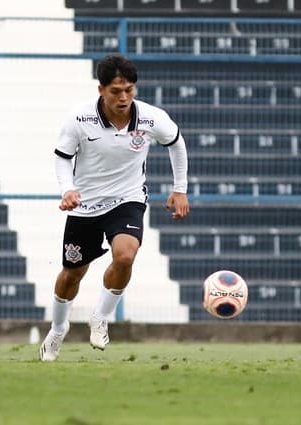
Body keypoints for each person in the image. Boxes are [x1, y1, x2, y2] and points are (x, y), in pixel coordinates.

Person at [39, 54, 190, 362]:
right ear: (101, 90)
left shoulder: (151, 118)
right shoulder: (79, 119)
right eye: (116, 91)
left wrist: (180, 190)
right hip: (86, 206)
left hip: (128, 199)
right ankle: (57, 329)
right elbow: (63, 157)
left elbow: (176, 142)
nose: (124, 97)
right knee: (72, 274)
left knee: (125, 256)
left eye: (130, 90)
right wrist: (67, 189)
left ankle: (101, 316)